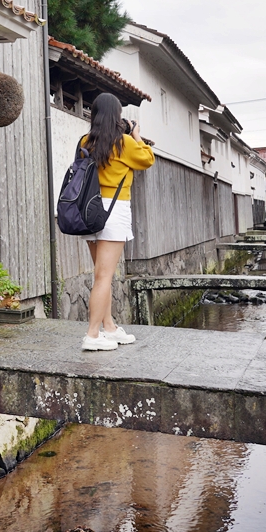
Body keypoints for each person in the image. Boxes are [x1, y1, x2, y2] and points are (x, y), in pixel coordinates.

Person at [78, 93, 155, 351]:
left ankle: (108, 327)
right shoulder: (123, 143)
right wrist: (135, 134)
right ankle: (92, 335)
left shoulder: (85, 141)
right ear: (117, 116)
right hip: (114, 210)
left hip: (90, 210)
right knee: (104, 277)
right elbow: (148, 158)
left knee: (102, 275)